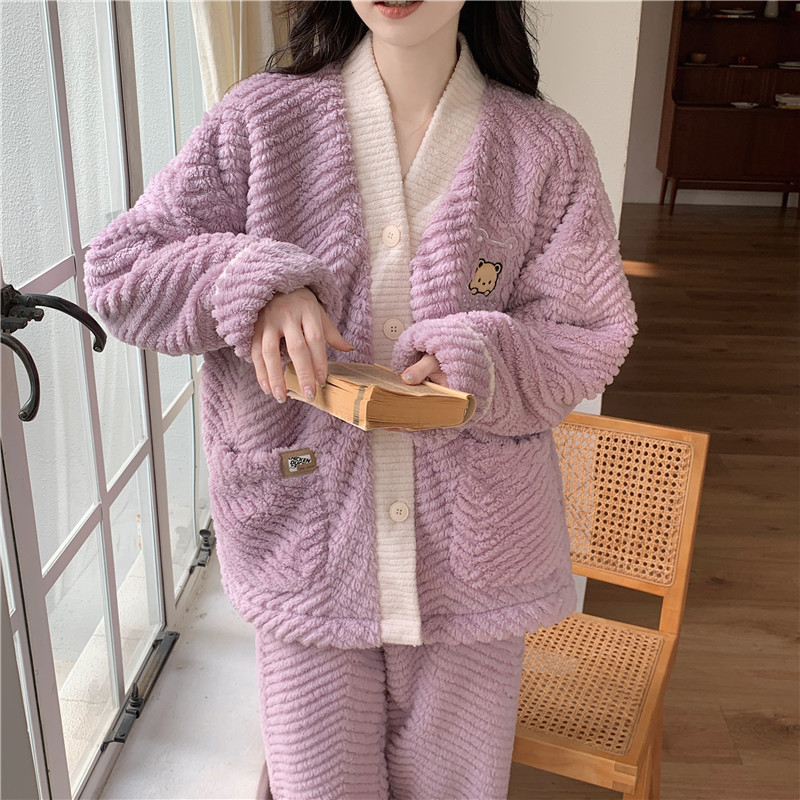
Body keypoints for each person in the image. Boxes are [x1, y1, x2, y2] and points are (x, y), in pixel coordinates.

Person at [83, 2, 637, 798]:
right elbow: (121, 270)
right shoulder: (260, 122)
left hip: (473, 566)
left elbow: (587, 330)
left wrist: (484, 357)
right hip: (305, 547)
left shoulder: (544, 148)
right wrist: (255, 285)